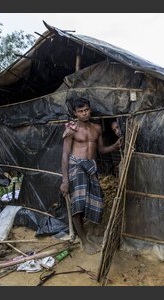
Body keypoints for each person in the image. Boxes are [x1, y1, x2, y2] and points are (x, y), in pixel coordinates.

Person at [60, 98, 122, 254]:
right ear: (75, 113)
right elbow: (65, 155)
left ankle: (90, 234)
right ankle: (84, 240)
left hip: (91, 167)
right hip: (76, 166)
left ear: (90, 110)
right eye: (80, 111)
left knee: (97, 202)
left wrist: (114, 146)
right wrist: (65, 180)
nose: (84, 113)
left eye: (86, 110)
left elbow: (100, 151)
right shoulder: (71, 128)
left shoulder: (97, 128)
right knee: (78, 203)